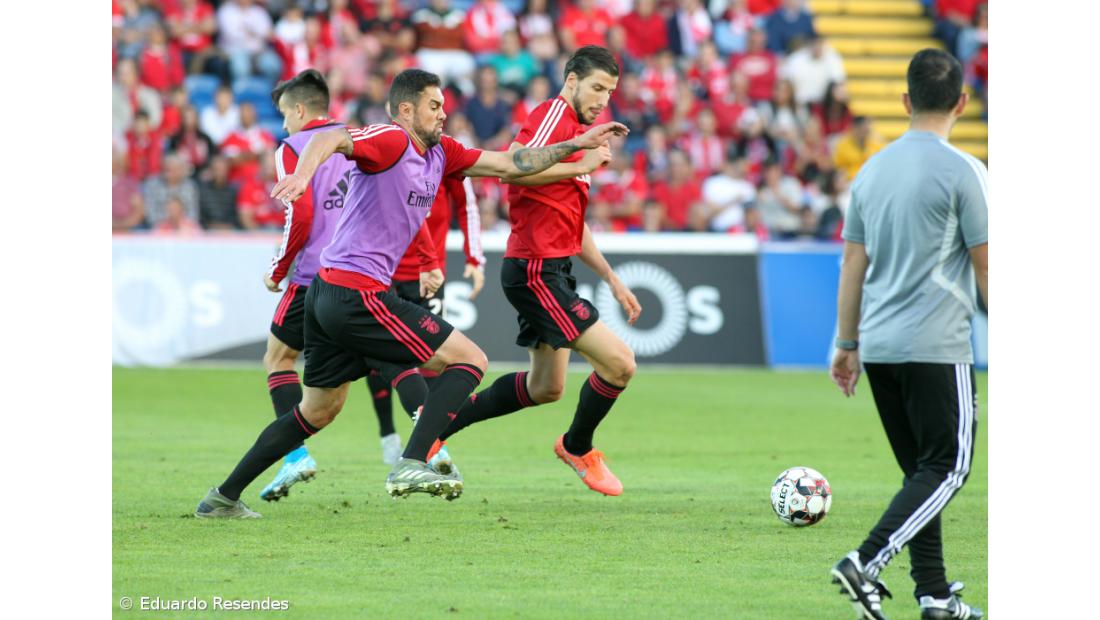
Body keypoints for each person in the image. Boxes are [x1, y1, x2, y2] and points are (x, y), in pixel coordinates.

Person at [195, 68, 627, 517]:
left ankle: (222, 497)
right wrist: (304, 176)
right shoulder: (393, 139)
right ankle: (413, 462)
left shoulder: (443, 152)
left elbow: (509, 163)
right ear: (406, 109)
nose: (443, 114)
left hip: (330, 294)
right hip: (355, 292)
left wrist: (576, 146)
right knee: (470, 359)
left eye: (444, 106)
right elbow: (332, 139)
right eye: (434, 106)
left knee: (317, 411)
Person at [431, 46, 641, 498]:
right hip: (534, 270)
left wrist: (611, 278)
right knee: (621, 365)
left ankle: (437, 425)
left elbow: (573, 222)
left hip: (553, 268)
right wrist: (582, 160)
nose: (604, 99)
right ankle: (577, 447)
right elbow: (514, 166)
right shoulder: (554, 114)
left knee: (546, 387)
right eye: (597, 88)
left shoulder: (579, 134)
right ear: (571, 81)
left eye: (610, 91)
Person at [828, 49, 987, 620]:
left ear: (904, 101)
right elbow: (987, 263)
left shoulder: (871, 170)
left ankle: (935, 595)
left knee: (920, 474)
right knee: (948, 468)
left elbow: (852, 265)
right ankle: (865, 561)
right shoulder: (965, 171)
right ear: (963, 104)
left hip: (882, 347)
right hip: (937, 345)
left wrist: (846, 345)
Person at [366, 173, 488, 468]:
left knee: (434, 357)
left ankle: (431, 443)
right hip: (384, 273)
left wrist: (474, 258)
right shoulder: (390, 155)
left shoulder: (447, 156)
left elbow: (467, 205)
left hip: (430, 276)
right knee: (379, 358)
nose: (439, 121)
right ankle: (388, 436)